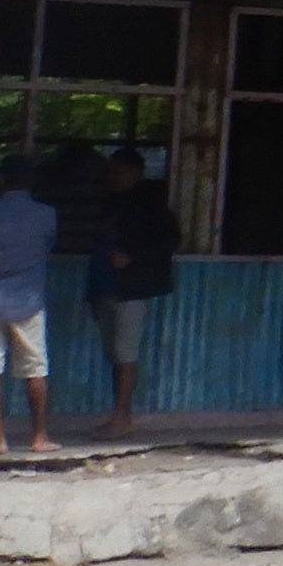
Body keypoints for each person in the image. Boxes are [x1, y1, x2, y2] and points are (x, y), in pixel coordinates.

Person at [0, 150, 61, 457]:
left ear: (0, 180)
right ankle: (39, 437)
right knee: (35, 368)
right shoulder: (46, 214)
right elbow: (48, 246)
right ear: (31, 181)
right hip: (29, 300)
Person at [84, 145, 178, 440]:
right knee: (116, 355)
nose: (113, 176)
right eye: (111, 170)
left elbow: (170, 241)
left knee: (125, 355)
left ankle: (122, 416)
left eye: (119, 170)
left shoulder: (150, 205)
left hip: (131, 288)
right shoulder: (110, 202)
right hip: (106, 287)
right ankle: (119, 414)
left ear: (135, 173)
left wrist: (133, 258)